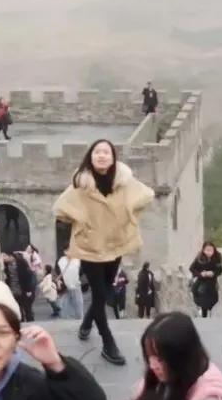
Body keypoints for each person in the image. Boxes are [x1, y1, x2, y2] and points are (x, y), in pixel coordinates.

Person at [54, 139, 155, 365]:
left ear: (113, 157)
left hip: (114, 245)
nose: (101, 155)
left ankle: (86, 323)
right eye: (97, 152)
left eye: (106, 152)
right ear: (90, 156)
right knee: (100, 295)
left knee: (106, 290)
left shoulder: (123, 181)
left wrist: (128, 217)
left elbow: (145, 195)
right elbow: (61, 209)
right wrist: (83, 224)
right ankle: (108, 343)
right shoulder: (81, 184)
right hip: (90, 247)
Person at [189, 243, 222, 318]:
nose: (209, 252)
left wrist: (213, 273)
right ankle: (201, 308)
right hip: (201, 279)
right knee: (194, 290)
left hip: (211, 281)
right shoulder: (200, 258)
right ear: (203, 250)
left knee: (204, 292)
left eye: (211, 250)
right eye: (207, 250)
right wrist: (200, 274)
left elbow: (219, 270)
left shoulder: (216, 258)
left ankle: (207, 312)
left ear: (214, 250)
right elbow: (192, 268)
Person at [3, 252, 37, 323]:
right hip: (13, 289)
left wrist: (29, 289)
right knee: (17, 307)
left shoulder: (21, 262)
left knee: (27, 306)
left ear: (11, 256)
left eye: (5, 256)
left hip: (22, 288)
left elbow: (27, 276)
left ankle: (30, 321)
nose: (3, 258)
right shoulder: (5, 265)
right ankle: (21, 320)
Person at [58, 249, 85, 321]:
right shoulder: (61, 260)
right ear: (64, 251)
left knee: (78, 303)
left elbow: (81, 271)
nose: (69, 252)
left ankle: (79, 318)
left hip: (76, 285)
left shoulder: (77, 260)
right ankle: (66, 319)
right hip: (65, 286)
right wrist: (59, 281)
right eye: (67, 250)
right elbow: (59, 271)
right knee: (64, 304)